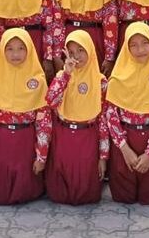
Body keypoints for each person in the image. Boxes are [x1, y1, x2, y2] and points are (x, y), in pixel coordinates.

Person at [0, 29, 51, 205]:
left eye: (21, 48)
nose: (15, 54)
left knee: (26, 191)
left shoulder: (38, 81)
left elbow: (44, 124)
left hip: (25, 141)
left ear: (29, 50)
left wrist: (41, 157)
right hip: (1, 141)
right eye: (9, 49)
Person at [104, 23, 149, 205]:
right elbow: (111, 115)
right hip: (124, 143)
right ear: (126, 47)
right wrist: (124, 149)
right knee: (123, 196)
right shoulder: (117, 79)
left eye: (145, 43)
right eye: (133, 45)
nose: (140, 49)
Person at [44, 31, 109, 205]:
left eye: (81, 50)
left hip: (88, 136)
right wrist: (66, 74)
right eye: (71, 52)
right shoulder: (62, 76)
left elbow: (103, 121)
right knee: (61, 184)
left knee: (86, 183)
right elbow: (51, 100)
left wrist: (103, 157)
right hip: (64, 134)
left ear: (90, 50)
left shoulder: (100, 81)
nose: (76, 56)